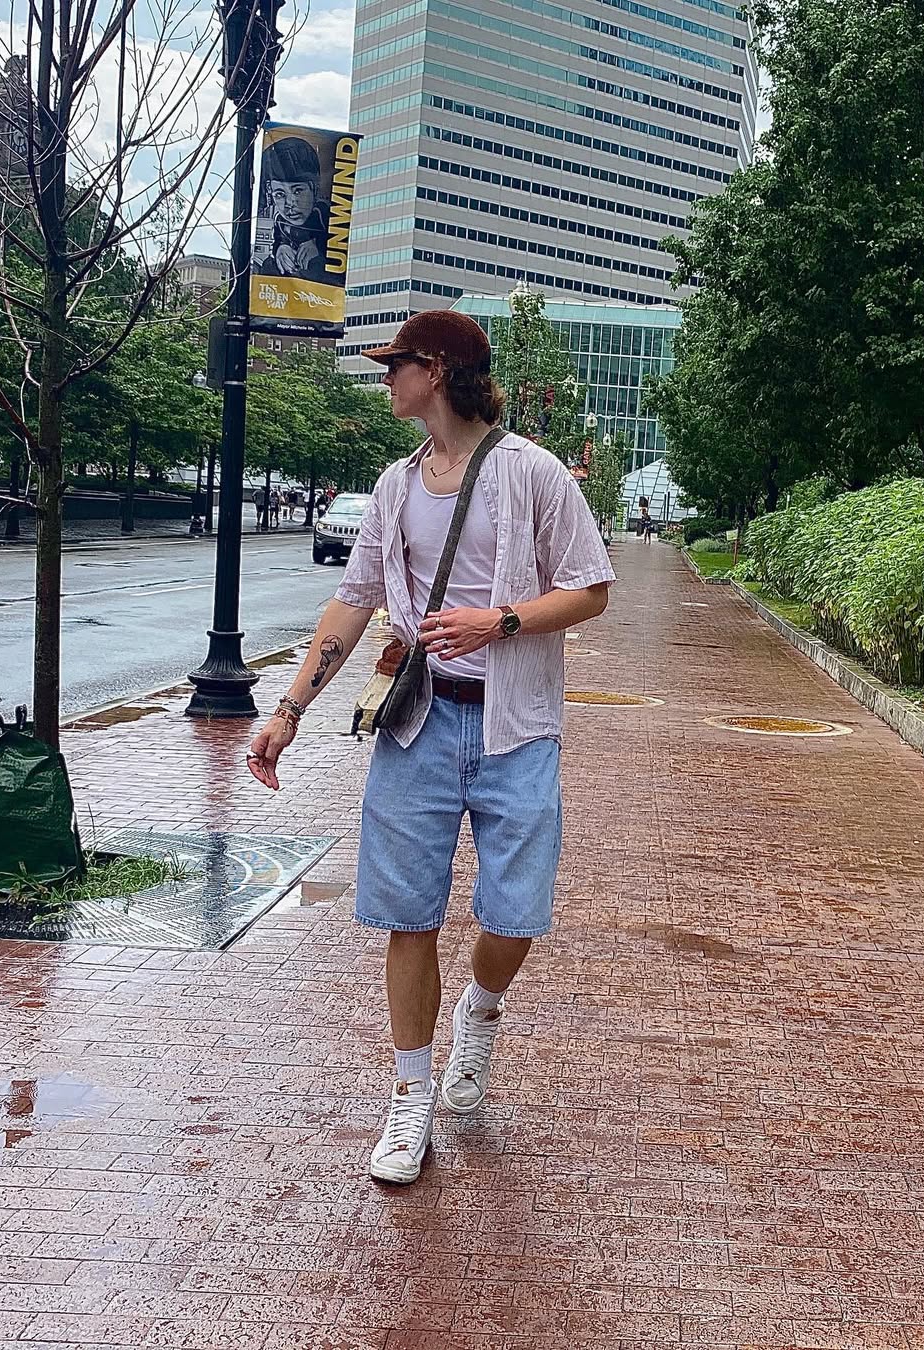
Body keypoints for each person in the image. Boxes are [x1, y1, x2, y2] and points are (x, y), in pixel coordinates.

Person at [246, 311, 614, 1186]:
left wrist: (500, 621)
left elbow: (592, 588)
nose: (387, 379)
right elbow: (353, 602)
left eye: (397, 364)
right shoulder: (395, 485)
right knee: (408, 915)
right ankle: (410, 1096)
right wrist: (289, 710)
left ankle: (480, 1013)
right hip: (418, 723)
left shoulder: (532, 474)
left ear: (439, 369)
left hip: (516, 729)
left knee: (516, 916)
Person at [253, 136, 330, 283]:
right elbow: (277, 240)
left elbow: (337, 242)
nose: (289, 203)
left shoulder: (325, 214)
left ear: (314, 189)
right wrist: (281, 248)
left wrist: (318, 246)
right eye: (280, 194)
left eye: (298, 191)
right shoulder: (279, 220)